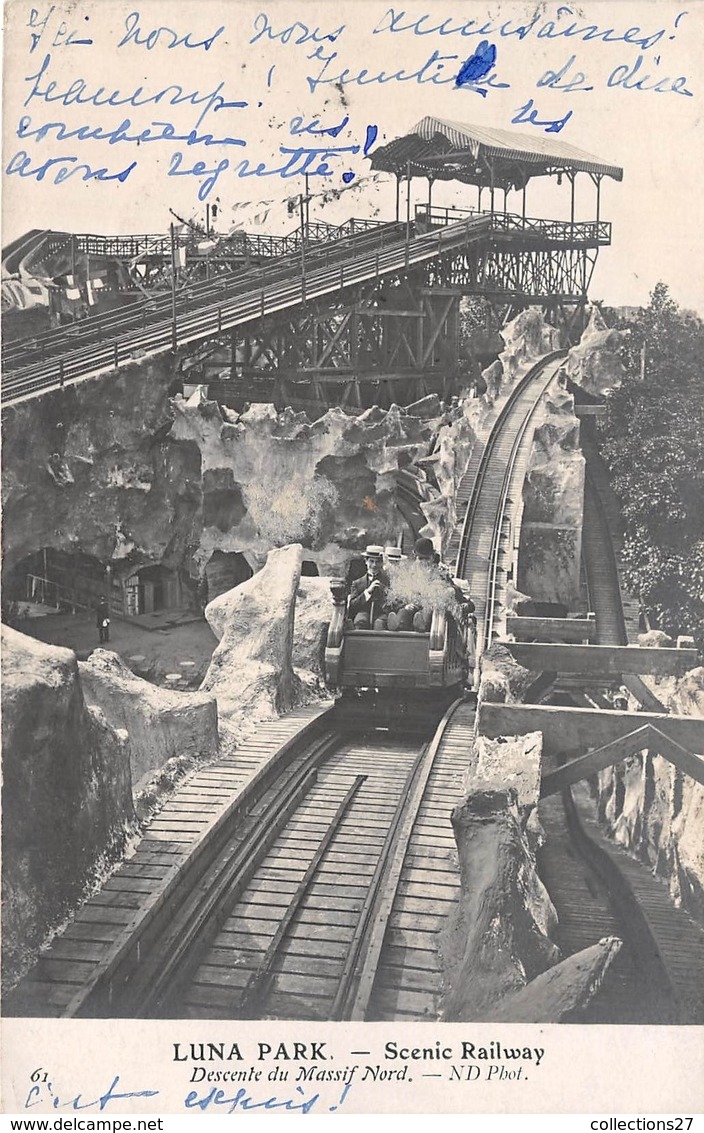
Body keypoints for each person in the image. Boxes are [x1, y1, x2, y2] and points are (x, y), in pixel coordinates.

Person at [346, 546, 389, 629]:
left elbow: (392, 601)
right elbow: (352, 605)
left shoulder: (387, 581)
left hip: (381, 614)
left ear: (382, 563)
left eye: (378, 562)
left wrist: (383, 590)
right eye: (371, 561)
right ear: (366, 561)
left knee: (379, 624)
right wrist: (367, 592)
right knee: (360, 622)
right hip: (363, 612)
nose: (374, 565)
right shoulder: (357, 583)